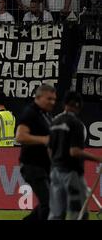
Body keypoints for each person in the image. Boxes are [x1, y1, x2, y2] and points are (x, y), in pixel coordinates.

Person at [48, 91, 102, 220]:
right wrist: (98, 159)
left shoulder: (54, 122)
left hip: (55, 172)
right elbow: (75, 152)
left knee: (56, 213)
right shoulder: (75, 124)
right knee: (79, 212)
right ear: (78, 105)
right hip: (71, 173)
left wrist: (55, 164)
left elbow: (49, 149)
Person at [16, 84, 57, 221]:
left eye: (54, 99)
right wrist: (44, 139)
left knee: (52, 203)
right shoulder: (31, 112)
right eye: (49, 99)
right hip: (32, 165)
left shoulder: (46, 115)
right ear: (38, 97)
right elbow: (20, 137)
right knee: (49, 204)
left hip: (45, 166)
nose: (52, 102)